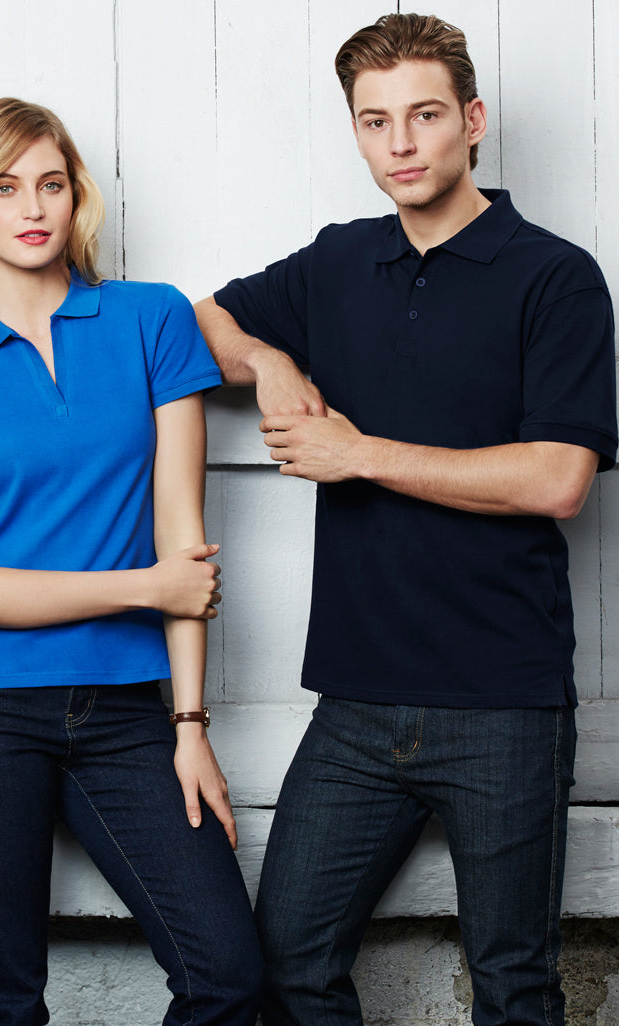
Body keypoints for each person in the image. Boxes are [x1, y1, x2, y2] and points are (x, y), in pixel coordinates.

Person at [195, 12, 617, 1026]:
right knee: (287, 966)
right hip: (353, 703)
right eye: (373, 121)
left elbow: (558, 478)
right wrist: (274, 362)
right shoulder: (337, 262)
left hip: (503, 704)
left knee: (512, 985)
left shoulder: (554, 277)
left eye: (423, 115)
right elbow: (200, 323)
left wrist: (357, 455)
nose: (399, 143)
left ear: (469, 122)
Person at [0, 97, 263, 1026]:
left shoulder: (151, 321)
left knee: (227, 974)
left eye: (51, 184)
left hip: (127, 711)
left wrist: (188, 724)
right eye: (6, 186)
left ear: (76, 199)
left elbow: (185, 533)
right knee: (5, 998)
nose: (33, 206)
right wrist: (145, 587)